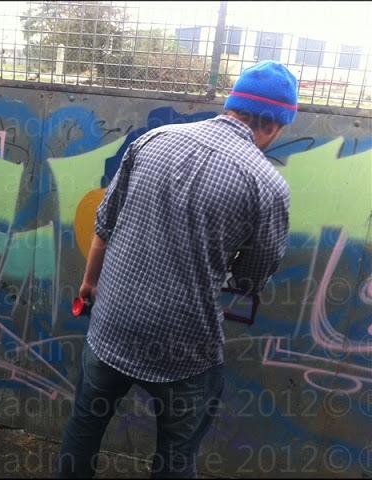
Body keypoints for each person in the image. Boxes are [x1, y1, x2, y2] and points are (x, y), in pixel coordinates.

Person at [58, 61, 298, 478]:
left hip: (113, 325)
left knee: (85, 424)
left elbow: (104, 223)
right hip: (185, 347)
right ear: (276, 125)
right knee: (176, 454)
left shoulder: (153, 140)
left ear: (232, 103)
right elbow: (252, 279)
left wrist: (89, 283)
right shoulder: (268, 185)